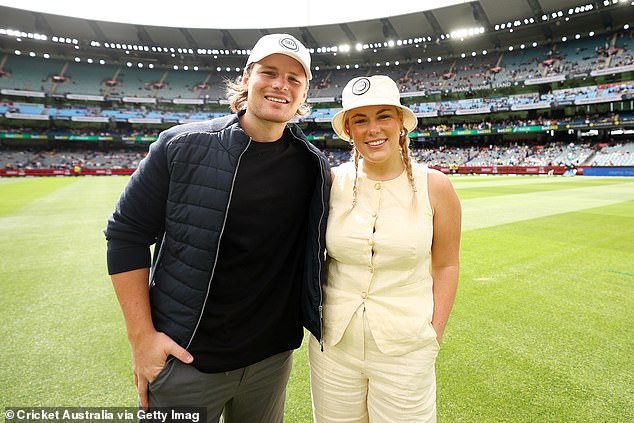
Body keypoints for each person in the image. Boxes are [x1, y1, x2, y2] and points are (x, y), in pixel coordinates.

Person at [104, 33, 330, 423]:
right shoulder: (180, 146)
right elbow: (126, 235)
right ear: (246, 79)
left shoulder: (313, 165)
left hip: (270, 362)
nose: (281, 85)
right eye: (270, 73)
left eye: (294, 79)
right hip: (187, 361)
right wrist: (141, 338)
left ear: (305, 92)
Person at [309, 75, 461, 422]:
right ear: (348, 129)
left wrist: (433, 335)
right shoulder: (331, 182)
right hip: (333, 346)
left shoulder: (435, 186)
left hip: (406, 348)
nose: (372, 129)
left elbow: (446, 265)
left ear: (400, 123)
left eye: (383, 116)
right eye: (359, 119)